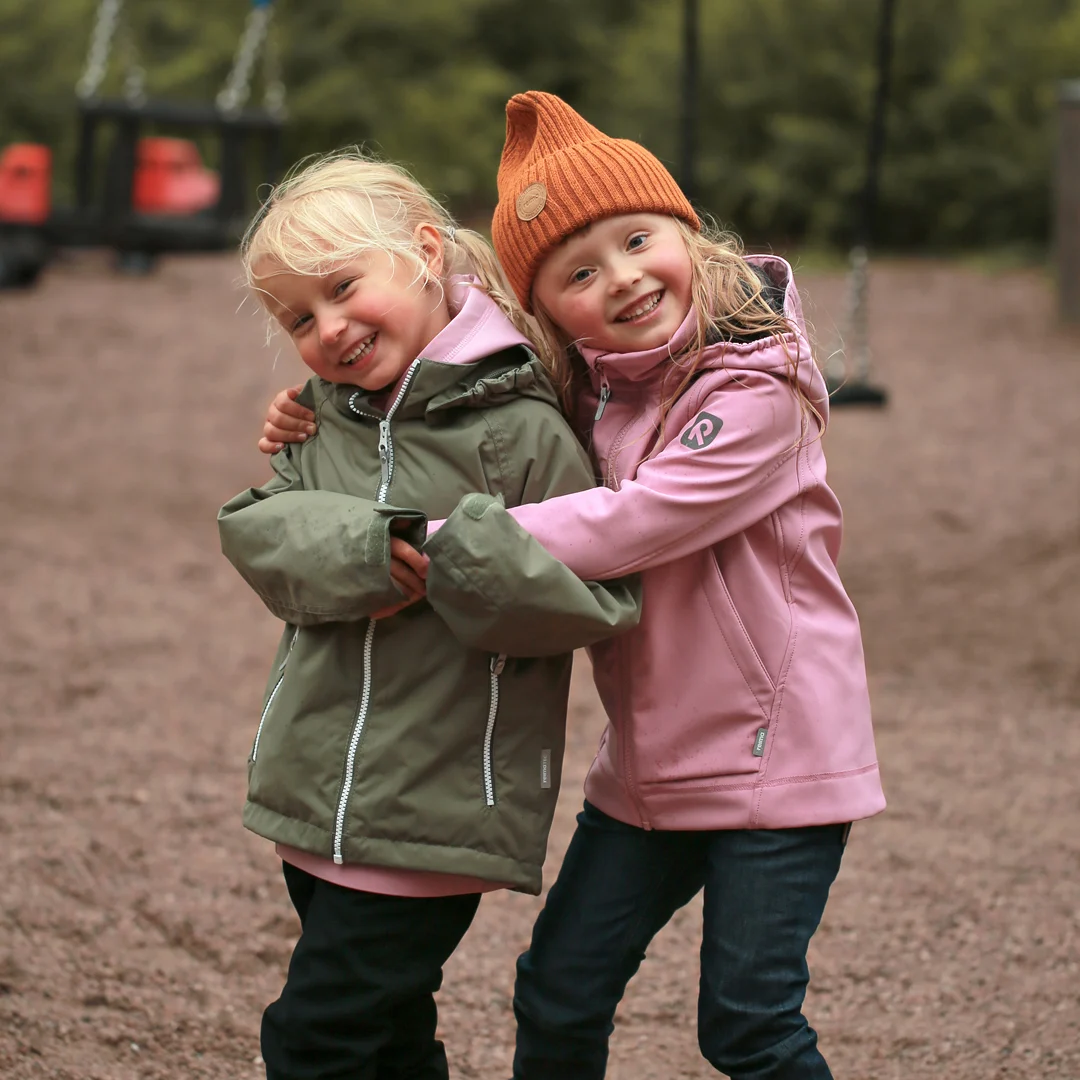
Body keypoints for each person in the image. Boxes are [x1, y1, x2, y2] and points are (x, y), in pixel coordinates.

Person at [259, 93, 886, 1080]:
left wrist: (428, 537)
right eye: (579, 273)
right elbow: (440, 364)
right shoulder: (589, 389)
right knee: (557, 994)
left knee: (748, 1026)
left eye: (639, 240)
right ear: (547, 306)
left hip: (779, 765)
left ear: (685, 231)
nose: (624, 279)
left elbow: (633, 520)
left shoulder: (756, 395)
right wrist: (323, 410)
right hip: (647, 762)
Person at [218, 149, 640, 1080]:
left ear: (420, 253)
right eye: (299, 317)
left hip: (436, 803)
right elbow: (259, 531)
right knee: (390, 1032)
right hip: (317, 790)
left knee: (315, 1038)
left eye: (341, 287)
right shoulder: (325, 414)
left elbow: (594, 603)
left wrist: (452, 550)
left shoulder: (523, 427)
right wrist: (372, 546)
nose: (328, 328)